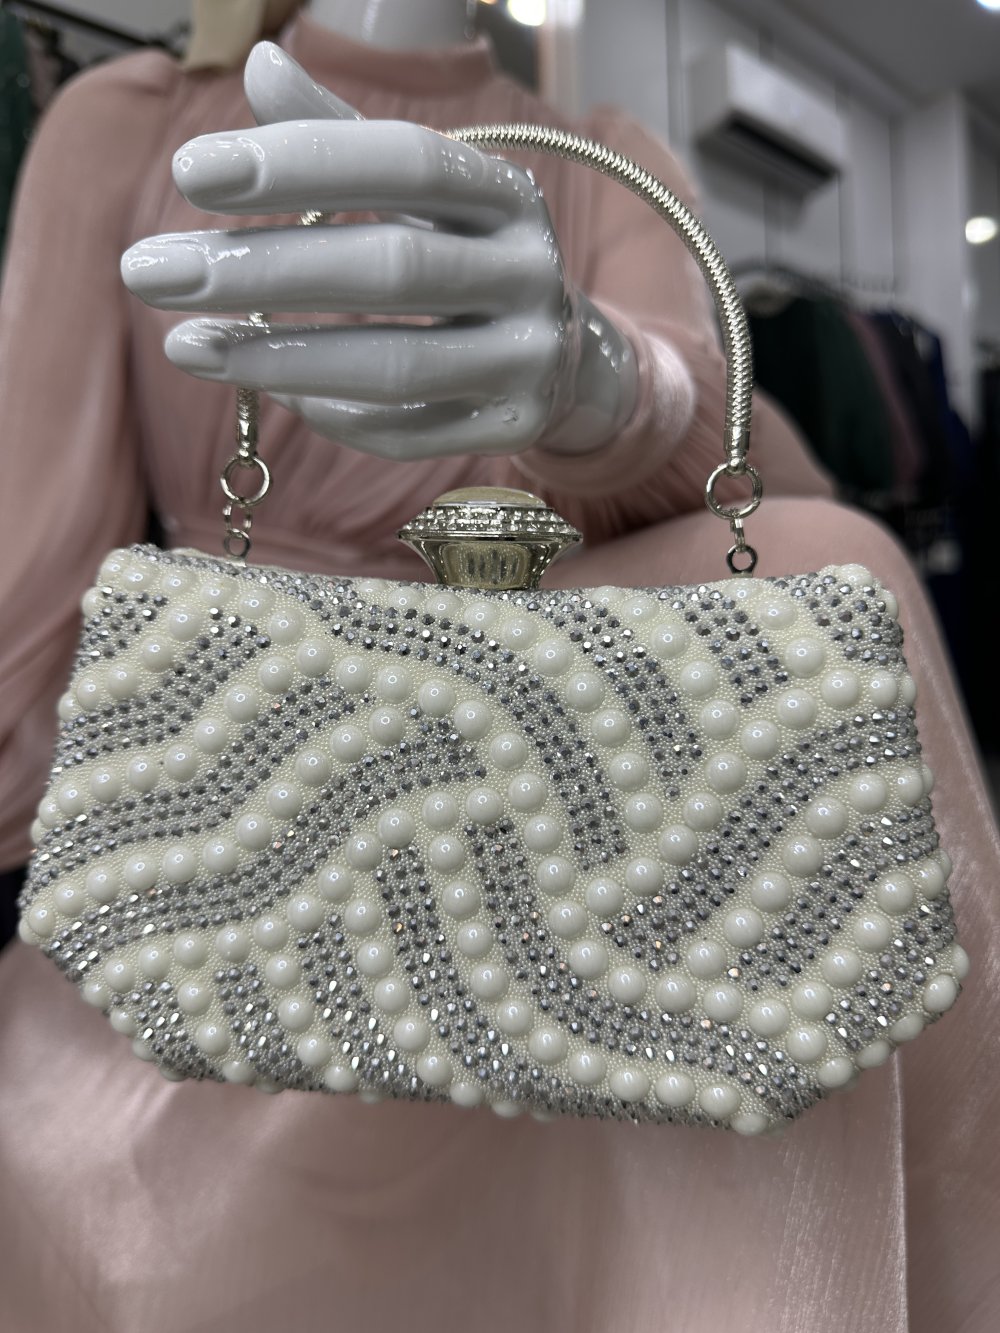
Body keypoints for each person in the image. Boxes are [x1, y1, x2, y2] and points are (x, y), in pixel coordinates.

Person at [0, 3, 996, 1330]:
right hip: (255, 807)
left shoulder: (607, 156)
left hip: (591, 797)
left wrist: (613, 384)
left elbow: (766, 496)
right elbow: (33, 572)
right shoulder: (134, 124)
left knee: (831, 558)